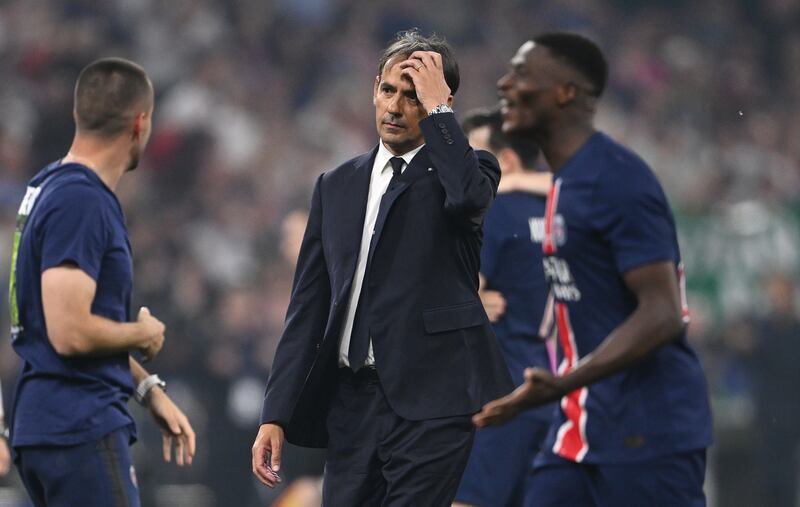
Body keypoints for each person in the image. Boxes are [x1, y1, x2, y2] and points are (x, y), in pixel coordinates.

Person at [252, 30, 513, 506]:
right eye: (388, 90)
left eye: (413, 97)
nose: (394, 107)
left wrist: (440, 113)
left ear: (440, 102)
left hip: (433, 402)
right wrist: (276, 413)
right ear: (374, 88)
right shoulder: (335, 186)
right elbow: (308, 307)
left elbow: (469, 199)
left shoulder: (469, 171)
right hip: (351, 404)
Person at [473, 33, 712, 506]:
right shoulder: (565, 181)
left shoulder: (617, 179)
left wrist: (563, 382)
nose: (504, 83)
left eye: (522, 73)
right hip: (578, 428)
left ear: (565, 92)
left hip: (646, 432)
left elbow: (663, 313)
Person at [7, 57, 195, 507]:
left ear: (79, 115)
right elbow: (69, 332)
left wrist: (147, 389)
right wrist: (142, 333)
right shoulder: (81, 200)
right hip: (78, 422)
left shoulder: (51, 187)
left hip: (50, 419)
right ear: (140, 123)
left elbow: (64, 328)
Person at [453, 108, 555, 507]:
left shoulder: (494, 210)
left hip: (496, 388)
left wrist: (465, 297)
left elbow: (458, 286)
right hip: (545, 384)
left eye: (475, 154)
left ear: (507, 161)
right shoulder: (560, 210)